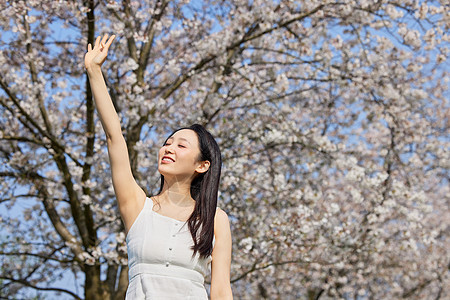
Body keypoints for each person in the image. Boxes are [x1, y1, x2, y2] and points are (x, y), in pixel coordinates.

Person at [84, 34, 233, 299]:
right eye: (167, 143)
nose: (169, 148)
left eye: (181, 146)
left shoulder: (215, 219)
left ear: (202, 165)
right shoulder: (137, 207)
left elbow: (221, 290)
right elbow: (114, 137)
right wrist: (94, 71)